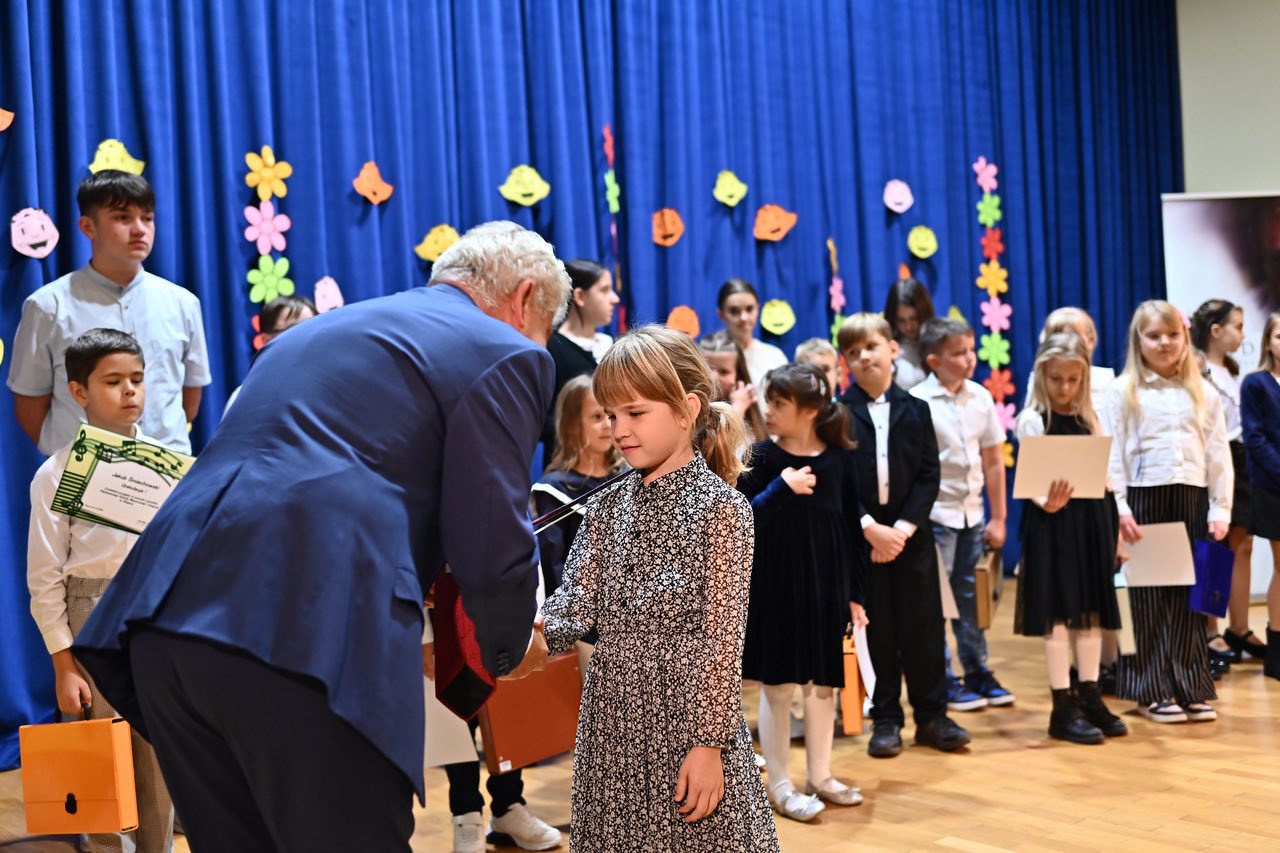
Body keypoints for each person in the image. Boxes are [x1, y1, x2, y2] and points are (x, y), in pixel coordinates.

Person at [71, 222, 569, 851]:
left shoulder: (311, 334)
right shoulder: (506, 349)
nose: (540, 343)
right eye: (547, 325)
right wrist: (509, 642)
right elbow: (491, 535)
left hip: (161, 619)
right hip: (304, 632)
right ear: (525, 298)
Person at [540, 326, 779, 852]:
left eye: (636, 413)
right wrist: (514, 636)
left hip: (687, 730)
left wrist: (708, 745)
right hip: (611, 732)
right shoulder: (605, 507)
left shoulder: (723, 510)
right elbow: (571, 611)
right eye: (610, 415)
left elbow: (722, 643)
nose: (619, 429)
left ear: (687, 409)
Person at [27, 329, 175, 853]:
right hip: (91, 618)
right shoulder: (56, 474)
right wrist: (64, 663)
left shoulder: (167, 466)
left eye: (137, 379)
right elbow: (45, 577)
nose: (130, 391)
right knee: (102, 765)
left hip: (156, 618)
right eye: (113, 381)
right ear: (79, 392)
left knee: (156, 755)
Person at [737, 363, 867, 823]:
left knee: (824, 685)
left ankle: (820, 775)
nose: (768, 411)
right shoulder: (760, 459)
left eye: (779, 404)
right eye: (767, 402)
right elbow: (740, 523)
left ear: (810, 411)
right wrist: (781, 488)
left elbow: (852, 530)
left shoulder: (838, 460)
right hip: (776, 592)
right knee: (777, 688)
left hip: (824, 592)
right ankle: (780, 784)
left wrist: (854, 594)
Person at [836, 313, 969, 758]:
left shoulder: (917, 409)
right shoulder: (838, 414)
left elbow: (929, 475)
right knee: (880, 630)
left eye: (871, 347)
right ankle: (887, 717)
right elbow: (837, 478)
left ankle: (933, 716)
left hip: (911, 539)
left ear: (893, 349)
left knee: (924, 628)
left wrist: (902, 530)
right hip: (864, 541)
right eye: (852, 353)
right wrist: (870, 528)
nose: (863, 358)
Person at [8, 170, 211, 455]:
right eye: (122, 218)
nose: (139, 229)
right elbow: (30, 402)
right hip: (82, 475)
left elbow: (190, 397)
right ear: (88, 227)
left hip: (166, 471)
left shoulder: (183, 303)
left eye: (147, 218)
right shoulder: (47, 306)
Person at [1106, 300, 1232, 723]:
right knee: (1148, 599)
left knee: (1194, 598)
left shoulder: (1203, 391)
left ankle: (1190, 684)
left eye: (1173, 335)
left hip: (1192, 498)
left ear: (1185, 338)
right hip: (1144, 500)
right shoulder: (1124, 391)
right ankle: (1151, 688)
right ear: (1138, 341)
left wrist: (1221, 507)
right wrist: (1119, 505)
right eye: (1154, 336)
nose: (1164, 343)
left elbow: (1219, 454)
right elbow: (1113, 455)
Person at [1014, 333, 1127, 744]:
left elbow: (1107, 475)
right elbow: (1030, 481)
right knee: (1059, 613)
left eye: (1073, 380)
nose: (1065, 388)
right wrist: (1046, 501)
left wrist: (1116, 529)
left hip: (1092, 519)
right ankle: (1062, 707)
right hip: (1053, 525)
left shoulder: (1092, 418)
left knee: (1093, 611)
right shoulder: (1033, 421)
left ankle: (1090, 695)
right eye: (1057, 379)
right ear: (1043, 376)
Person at [910, 318, 1013, 712]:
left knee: (972, 599)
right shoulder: (919, 400)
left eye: (971, 350)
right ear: (934, 360)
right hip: (937, 516)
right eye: (958, 353)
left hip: (972, 516)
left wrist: (999, 517)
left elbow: (992, 462)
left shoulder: (981, 398)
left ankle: (977, 670)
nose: (970, 359)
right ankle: (943, 676)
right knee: (937, 601)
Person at [423, 600, 562, 853]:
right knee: (456, 713)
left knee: (508, 707)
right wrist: (423, 634)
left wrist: (537, 615)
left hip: (506, 608)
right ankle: (466, 815)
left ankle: (508, 807)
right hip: (445, 611)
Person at [1191, 300, 1263, 670]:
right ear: (1215, 331)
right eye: (1237, 326)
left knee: (1243, 542)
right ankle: (1209, 628)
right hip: (1213, 458)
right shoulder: (1198, 369)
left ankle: (1239, 626)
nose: (1243, 333)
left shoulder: (1229, 370)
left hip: (1240, 457)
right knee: (1215, 544)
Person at [532, 374, 625, 595]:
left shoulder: (629, 477)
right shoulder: (553, 491)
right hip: (577, 617)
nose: (606, 425)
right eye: (596, 417)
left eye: (610, 416)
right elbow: (553, 566)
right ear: (572, 425)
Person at [1239, 311, 1280, 680]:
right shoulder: (1256, 384)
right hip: (1273, 488)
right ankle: (1277, 651)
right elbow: (1255, 439)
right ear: (1268, 341)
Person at [542, 258, 619, 451]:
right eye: (604, 290)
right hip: (570, 465)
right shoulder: (551, 349)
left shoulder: (614, 346)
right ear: (580, 297)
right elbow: (541, 420)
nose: (614, 299)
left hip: (615, 463)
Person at [223, 294, 318, 415]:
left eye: (314, 326)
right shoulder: (245, 398)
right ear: (266, 340)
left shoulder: (334, 390)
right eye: (297, 328)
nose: (309, 335)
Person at [716, 279, 786, 405]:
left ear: (757, 309)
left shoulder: (775, 356)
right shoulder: (712, 358)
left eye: (749, 309)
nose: (743, 317)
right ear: (721, 314)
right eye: (734, 311)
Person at [699, 331, 767, 442]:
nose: (713, 378)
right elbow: (713, 451)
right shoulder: (691, 413)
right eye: (707, 369)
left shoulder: (750, 428)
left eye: (723, 372)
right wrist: (738, 409)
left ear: (738, 377)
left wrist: (738, 407)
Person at [882, 277, 935, 391]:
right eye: (901, 320)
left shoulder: (937, 343)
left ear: (924, 314)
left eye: (914, 319)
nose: (908, 327)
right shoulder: (886, 348)